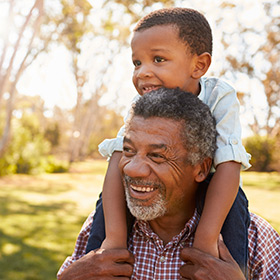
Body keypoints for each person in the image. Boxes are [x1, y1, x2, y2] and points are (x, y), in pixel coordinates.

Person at [87, 7, 251, 276]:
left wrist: (206, 239)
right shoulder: (140, 106)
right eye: (137, 63)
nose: (143, 73)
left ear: (198, 65)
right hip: (156, 192)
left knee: (235, 208)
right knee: (106, 203)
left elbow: (229, 164)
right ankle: (95, 267)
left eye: (158, 59)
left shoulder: (219, 96)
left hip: (213, 187)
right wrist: (113, 238)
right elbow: (118, 159)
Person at [57, 88, 280, 280]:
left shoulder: (256, 240)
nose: (132, 168)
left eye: (156, 156)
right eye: (128, 150)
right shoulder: (101, 229)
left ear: (201, 168)